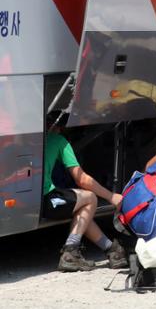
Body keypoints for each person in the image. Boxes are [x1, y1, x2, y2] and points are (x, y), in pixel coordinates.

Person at [43, 112, 127, 272]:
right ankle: (70, 252)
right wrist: (111, 196)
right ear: (61, 127)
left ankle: (112, 251)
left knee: (82, 211)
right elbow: (82, 180)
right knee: (90, 198)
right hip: (47, 200)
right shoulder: (59, 141)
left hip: (32, 201)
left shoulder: (32, 140)